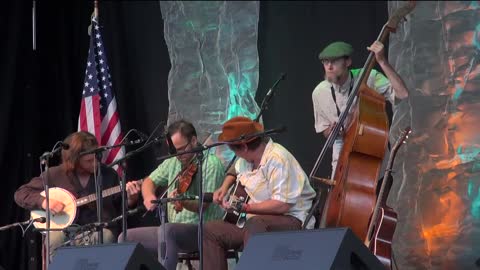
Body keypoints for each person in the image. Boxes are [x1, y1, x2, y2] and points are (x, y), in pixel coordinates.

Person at [203, 116, 316, 270]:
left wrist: (247, 208)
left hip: (291, 219)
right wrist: (223, 188)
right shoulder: (246, 160)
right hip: (254, 222)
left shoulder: (277, 159)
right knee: (210, 230)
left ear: (243, 147)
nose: (234, 154)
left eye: (233, 149)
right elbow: (234, 171)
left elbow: (282, 205)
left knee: (255, 224)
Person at [118, 119, 225, 270]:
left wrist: (184, 202)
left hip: (203, 231)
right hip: (172, 232)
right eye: (173, 151)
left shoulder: (211, 164)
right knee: (125, 237)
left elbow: (204, 205)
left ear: (193, 140)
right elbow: (150, 180)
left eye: (181, 150)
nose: (178, 155)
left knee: (168, 230)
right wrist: (148, 196)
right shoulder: (173, 162)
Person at [14, 131, 142, 256]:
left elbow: (121, 207)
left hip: (99, 230)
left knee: (106, 236)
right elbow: (21, 194)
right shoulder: (54, 174)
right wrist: (45, 202)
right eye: (89, 161)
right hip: (65, 232)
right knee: (54, 238)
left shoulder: (108, 174)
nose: (96, 163)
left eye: (96, 158)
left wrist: (131, 198)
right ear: (74, 160)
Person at [311, 41, 409, 177]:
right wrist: (331, 131)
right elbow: (325, 131)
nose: (329, 66)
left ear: (347, 62)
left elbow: (402, 94)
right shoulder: (319, 92)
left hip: (371, 158)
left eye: (334, 61)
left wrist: (382, 61)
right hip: (341, 158)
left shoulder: (369, 77)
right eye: (325, 62)